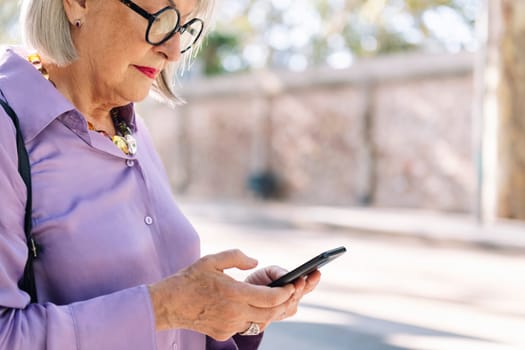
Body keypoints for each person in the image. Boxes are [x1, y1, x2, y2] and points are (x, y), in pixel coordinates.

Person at [0, 0, 321, 349]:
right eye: (161, 18)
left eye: (183, 27)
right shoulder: (9, 129)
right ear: (78, 4)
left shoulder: (129, 128)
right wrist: (165, 309)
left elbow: (175, 326)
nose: (173, 51)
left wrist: (233, 313)